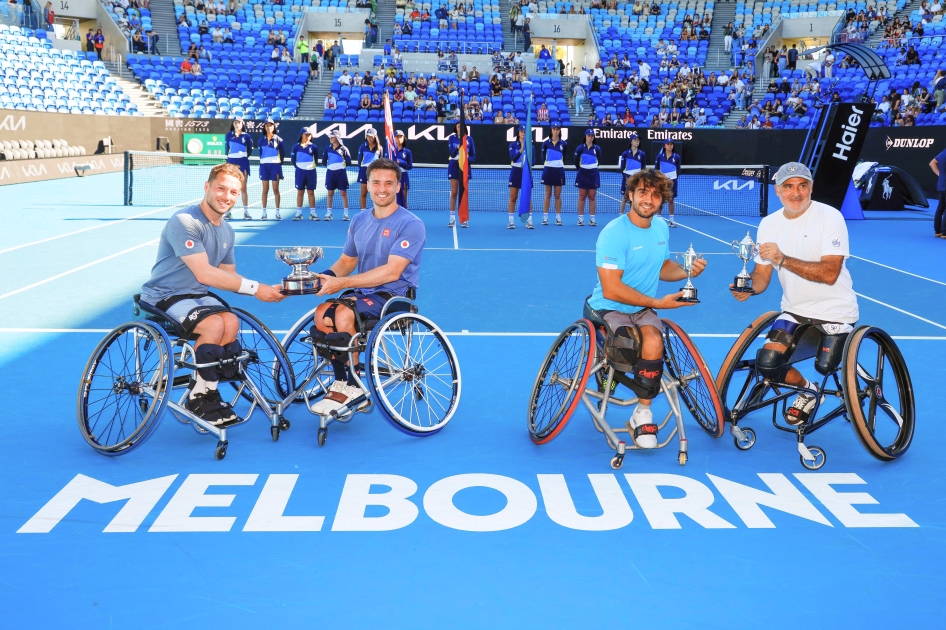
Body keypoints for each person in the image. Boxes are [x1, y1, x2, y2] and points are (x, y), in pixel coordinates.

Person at [138, 163, 285, 424]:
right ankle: (199, 397)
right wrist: (255, 290)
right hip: (163, 296)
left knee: (231, 321)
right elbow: (205, 274)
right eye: (221, 188)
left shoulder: (227, 230)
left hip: (195, 295)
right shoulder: (184, 221)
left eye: (233, 192)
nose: (226, 196)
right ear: (207, 187)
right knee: (214, 324)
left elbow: (228, 275)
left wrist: (264, 288)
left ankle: (208, 393)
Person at [728, 162, 859, 425]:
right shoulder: (768, 224)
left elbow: (830, 273)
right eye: (788, 186)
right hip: (794, 312)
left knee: (826, 366)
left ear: (811, 187)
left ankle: (823, 382)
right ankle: (809, 390)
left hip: (836, 314)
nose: (795, 193)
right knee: (767, 363)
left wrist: (784, 259)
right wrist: (748, 288)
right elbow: (762, 275)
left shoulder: (830, 216)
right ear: (777, 191)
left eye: (802, 186)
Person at [588, 168, 705, 447]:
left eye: (655, 195)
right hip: (609, 306)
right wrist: (657, 303)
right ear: (630, 195)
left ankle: (642, 412)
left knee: (653, 340)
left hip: (641, 308)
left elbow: (662, 266)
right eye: (642, 192)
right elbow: (611, 288)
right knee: (629, 342)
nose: (648, 200)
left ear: (661, 200)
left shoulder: (661, 227)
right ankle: (608, 368)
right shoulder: (614, 233)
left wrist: (688, 271)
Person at [308, 158, 426, 415]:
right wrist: (324, 277)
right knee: (321, 313)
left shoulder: (411, 224)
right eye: (376, 182)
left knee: (341, 314)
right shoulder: (359, 220)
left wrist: (343, 283)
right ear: (368, 185)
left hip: (394, 295)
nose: (381, 188)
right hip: (361, 292)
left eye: (388, 183)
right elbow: (347, 261)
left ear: (398, 187)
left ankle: (354, 385)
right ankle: (343, 382)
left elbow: (392, 271)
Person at [446, 121, 476, 228]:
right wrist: (458, 147)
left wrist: (467, 160)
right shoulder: (451, 138)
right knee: (454, 192)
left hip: (465, 166)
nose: (459, 128)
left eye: (461, 127)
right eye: (458, 127)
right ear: (456, 128)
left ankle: (464, 219)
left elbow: (473, 156)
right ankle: (452, 218)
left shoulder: (469, 139)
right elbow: (451, 153)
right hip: (454, 165)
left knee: (464, 193)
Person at [223, 117, 253, 220]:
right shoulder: (228, 136)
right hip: (231, 163)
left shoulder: (247, 137)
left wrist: (242, 157)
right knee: (230, 188)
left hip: (243, 162)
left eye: (239, 123)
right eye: (235, 122)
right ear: (233, 124)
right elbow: (226, 150)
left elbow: (249, 150)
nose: (237, 124)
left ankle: (246, 212)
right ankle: (228, 212)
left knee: (243, 188)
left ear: (242, 124)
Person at [321, 129, 352, 221]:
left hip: (341, 173)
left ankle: (346, 213)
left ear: (337, 138)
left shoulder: (344, 149)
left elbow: (349, 161)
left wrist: (341, 165)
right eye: (330, 137)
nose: (330, 138)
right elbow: (323, 161)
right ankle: (329, 213)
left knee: (343, 192)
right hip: (330, 173)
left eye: (332, 136)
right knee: (330, 192)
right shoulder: (327, 148)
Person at [506, 125, 534, 229]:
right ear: (518, 133)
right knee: (513, 196)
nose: (523, 133)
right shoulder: (513, 145)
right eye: (521, 131)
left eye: (524, 131)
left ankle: (530, 221)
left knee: (528, 197)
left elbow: (534, 161)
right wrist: (521, 151)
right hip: (516, 171)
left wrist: (527, 163)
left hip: (526, 173)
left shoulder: (531, 147)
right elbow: (513, 158)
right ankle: (511, 221)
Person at [540, 122, 567, 225]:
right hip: (548, 170)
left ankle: (558, 217)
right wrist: (548, 164)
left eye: (557, 129)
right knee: (547, 194)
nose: (556, 131)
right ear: (551, 131)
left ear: (559, 131)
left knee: (557, 195)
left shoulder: (564, 144)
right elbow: (543, 156)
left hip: (559, 170)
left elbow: (565, 155)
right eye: (554, 129)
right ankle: (545, 217)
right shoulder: (546, 143)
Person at [257, 118, 284, 221]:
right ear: (264, 127)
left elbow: (282, 154)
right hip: (264, 166)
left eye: (271, 125)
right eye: (267, 125)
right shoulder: (261, 141)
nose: (269, 127)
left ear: (274, 127)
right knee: (265, 190)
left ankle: (277, 212)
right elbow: (261, 154)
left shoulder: (279, 140)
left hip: (275, 167)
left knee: (276, 189)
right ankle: (264, 212)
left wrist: (276, 163)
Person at [290, 127, 319, 221]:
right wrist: (300, 167)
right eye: (306, 134)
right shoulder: (296, 147)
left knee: (311, 192)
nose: (308, 136)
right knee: (300, 192)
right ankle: (299, 213)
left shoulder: (314, 147)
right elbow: (293, 161)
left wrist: (309, 167)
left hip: (311, 172)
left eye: (309, 135)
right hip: (300, 172)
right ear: (301, 135)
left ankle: (313, 213)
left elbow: (316, 160)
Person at [574, 129, 601, 226]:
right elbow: (576, 162)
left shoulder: (597, 149)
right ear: (585, 136)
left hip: (593, 174)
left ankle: (592, 219)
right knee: (582, 196)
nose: (590, 138)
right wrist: (582, 169)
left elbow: (599, 161)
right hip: (582, 173)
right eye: (589, 136)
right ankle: (580, 219)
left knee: (592, 197)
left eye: (592, 136)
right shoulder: (580, 148)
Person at [356, 128, 383, 220]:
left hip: (375, 173)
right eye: (367, 136)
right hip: (364, 171)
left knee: (375, 193)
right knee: (363, 193)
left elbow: (382, 162)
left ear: (375, 137)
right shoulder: (362, 147)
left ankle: (377, 212)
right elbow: (359, 161)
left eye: (371, 137)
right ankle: (363, 213)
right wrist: (363, 170)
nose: (369, 138)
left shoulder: (380, 148)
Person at [654, 138, 680, 226]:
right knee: (660, 199)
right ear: (664, 146)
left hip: (672, 181)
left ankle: (671, 220)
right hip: (661, 181)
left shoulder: (677, 157)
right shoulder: (659, 156)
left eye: (671, 144)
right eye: (668, 144)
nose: (670, 146)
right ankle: (658, 217)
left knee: (671, 199)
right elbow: (656, 169)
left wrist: (673, 179)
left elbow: (678, 170)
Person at [618, 133, 646, 215]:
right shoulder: (625, 153)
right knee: (624, 197)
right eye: (635, 140)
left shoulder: (642, 154)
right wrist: (625, 177)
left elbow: (643, 168)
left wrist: (640, 178)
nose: (637, 142)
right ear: (631, 141)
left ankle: (632, 215)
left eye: (638, 140)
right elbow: (622, 168)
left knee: (634, 198)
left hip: (637, 178)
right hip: (627, 177)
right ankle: (620, 215)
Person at [391, 130, 413, 209]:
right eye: (397, 137)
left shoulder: (407, 152)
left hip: (403, 175)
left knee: (404, 197)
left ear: (404, 138)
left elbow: (410, 166)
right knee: (393, 197)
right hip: (393, 176)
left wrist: (400, 163)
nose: (399, 139)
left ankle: (404, 215)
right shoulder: (391, 151)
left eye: (400, 137)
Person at [929, 146, 946, 238]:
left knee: (941, 207)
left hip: (941, 184)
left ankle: (938, 231)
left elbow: (932, 163)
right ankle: (945, 232)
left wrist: (940, 175)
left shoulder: (943, 153)